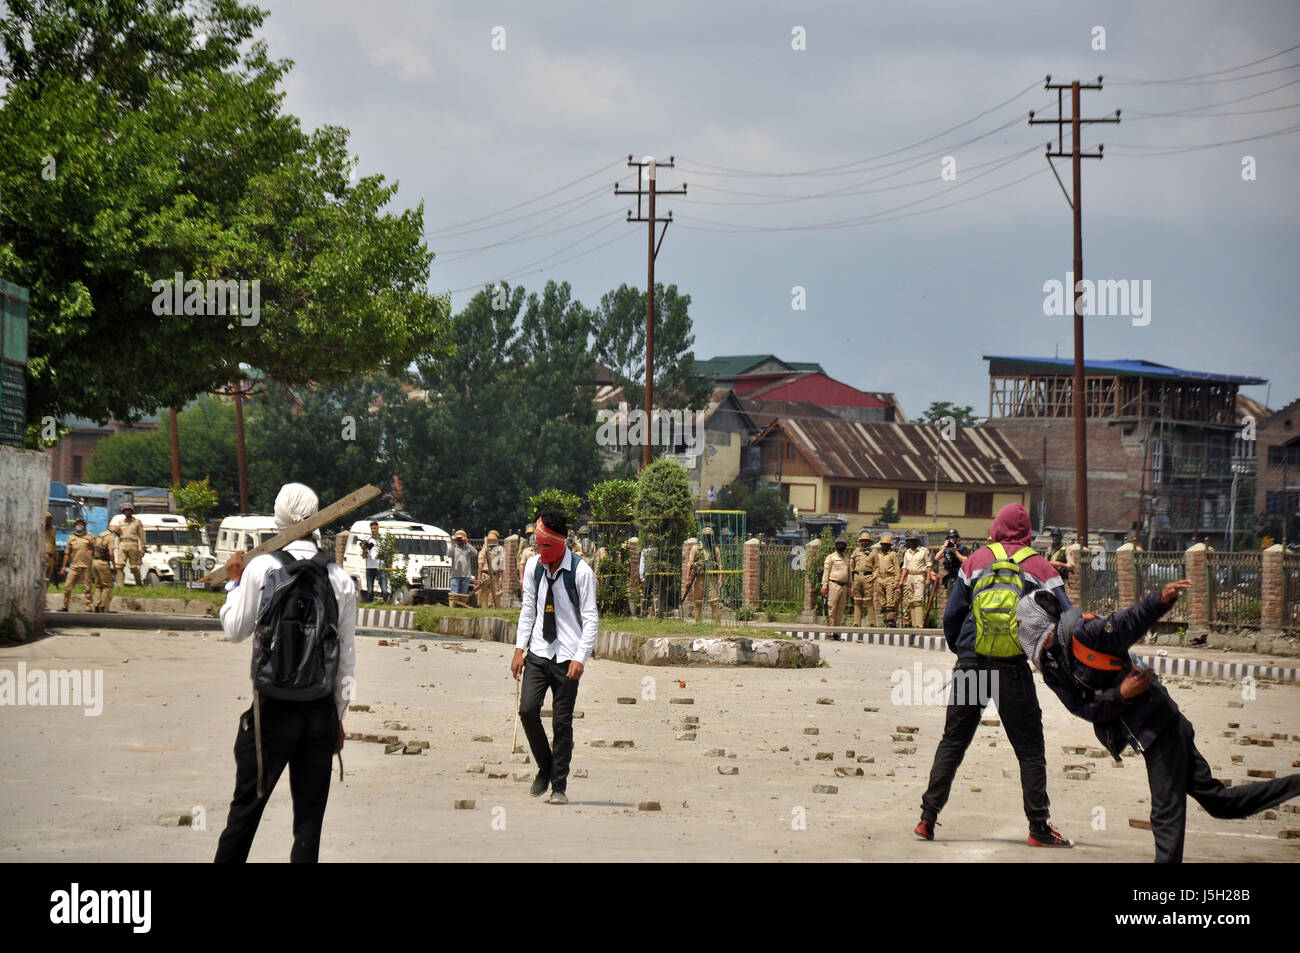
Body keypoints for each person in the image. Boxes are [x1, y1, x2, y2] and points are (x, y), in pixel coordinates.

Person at [1017, 579, 1300, 863]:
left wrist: (1160, 600)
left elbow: (1127, 621)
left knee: (1165, 814)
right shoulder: (1053, 668)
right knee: (1220, 803)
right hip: (1152, 730)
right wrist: (1120, 695)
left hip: (1159, 724)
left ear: (1042, 625)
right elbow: (1086, 708)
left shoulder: (1085, 633)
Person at [914, 502, 1072, 848]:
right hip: (1012, 667)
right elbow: (1068, 617)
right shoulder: (1040, 566)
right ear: (1027, 531)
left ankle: (927, 819)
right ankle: (1039, 828)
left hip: (972, 663)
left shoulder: (976, 560)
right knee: (1029, 749)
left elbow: (952, 615)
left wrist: (965, 653)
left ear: (996, 528)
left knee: (954, 741)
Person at [213, 483, 356, 863]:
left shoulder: (260, 567)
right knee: (308, 822)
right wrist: (338, 717)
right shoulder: (339, 579)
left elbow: (234, 630)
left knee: (245, 810)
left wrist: (233, 582)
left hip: (271, 710)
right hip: (319, 710)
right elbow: (346, 659)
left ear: (279, 517)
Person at [510, 509, 598, 805]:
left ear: (562, 543)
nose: (541, 551)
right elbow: (528, 610)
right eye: (538, 545)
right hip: (538, 651)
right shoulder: (535, 567)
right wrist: (519, 649)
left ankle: (558, 785)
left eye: (547, 546)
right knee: (527, 711)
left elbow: (590, 619)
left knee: (562, 723)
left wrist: (581, 658)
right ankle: (545, 767)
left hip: (567, 658)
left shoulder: (582, 573)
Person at [685, 527, 722, 623]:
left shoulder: (715, 549)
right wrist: (687, 578)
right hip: (699, 577)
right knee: (698, 600)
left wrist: (720, 579)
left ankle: (716, 622)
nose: (708, 538)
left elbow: (719, 565)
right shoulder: (696, 548)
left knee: (714, 600)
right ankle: (698, 621)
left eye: (709, 536)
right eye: (706, 536)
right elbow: (690, 563)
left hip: (711, 577)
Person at [60, 518, 95, 612]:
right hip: (73, 567)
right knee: (67, 587)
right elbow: (67, 553)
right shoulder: (71, 537)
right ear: (75, 526)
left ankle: (89, 607)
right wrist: (64, 566)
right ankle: (65, 606)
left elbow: (93, 549)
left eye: (81, 524)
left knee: (87, 588)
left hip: (85, 567)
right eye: (78, 524)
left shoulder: (90, 537)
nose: (79, 526)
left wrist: (91, 556)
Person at [899, 530, 933, 628]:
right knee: (911, 601)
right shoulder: (907, 553)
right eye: (910, 541)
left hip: (919, 576)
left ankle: (919, 624)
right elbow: (905, 567)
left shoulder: (924, 551)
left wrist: (928, 579)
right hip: (909, 577)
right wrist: (901, 580)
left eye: (913, 540)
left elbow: (929, 565)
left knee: (917, 600)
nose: (911, 542)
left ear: (918, 541)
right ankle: (914, 624)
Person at [869, 532, 902, 626]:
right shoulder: (879, 555)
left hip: (889, 578)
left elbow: (897, 569)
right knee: (882, 602)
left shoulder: (893, 554)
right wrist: (874, 577)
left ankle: (891, 621)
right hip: (880, 579)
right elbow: (877, 568)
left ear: (889, 546)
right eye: (883, 545)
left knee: (890, 602)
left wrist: (896, 581)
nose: (884, 546)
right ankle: (885, 621)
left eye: (887, 545)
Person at [115, 503, 145, 587]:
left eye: (129, 511)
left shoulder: (137, 522)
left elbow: (141, 535)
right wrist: (118, 546)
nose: (127, 512)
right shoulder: (120, 522)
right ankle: (120, 586)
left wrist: (143, 548)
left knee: (133, 566)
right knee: (120, 566)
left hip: (133, 544)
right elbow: (118, 534)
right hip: (122, 544)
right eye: (125, 511)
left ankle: (139, 584)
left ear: (132, 511)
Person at [90, 525, 117, 614]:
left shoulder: (99, 535)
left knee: (98, 586)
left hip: (95, 562)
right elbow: (111, 553)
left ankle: (96, 605)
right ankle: (103, 606)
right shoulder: (110, 537)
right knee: (107, 586)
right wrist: (114, 565)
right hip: (103, 562)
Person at [850, 530, 875, 627]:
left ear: (869, 542)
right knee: (857, 600)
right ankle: (856, 622)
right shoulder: (856, 551)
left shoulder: (873, 553)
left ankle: (872, 622)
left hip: (867, 576)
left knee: (868, 599)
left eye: (866, 541)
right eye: (862, 541)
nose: (864, 542)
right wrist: (852, 578)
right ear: (860, 542)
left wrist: (874, 577)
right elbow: (852, 565)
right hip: (857, 576)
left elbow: (877, 567)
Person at [448, 530, 477, 608]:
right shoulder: (454, 548)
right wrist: (453, 544)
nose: (460, 540)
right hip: (455, 574)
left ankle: (461, 607)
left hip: (466, 574)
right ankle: (453, 607)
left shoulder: (467, 547)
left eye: (461, 538)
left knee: (463, 594)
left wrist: (467, 543)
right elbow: (449, 554)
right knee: (454, 593)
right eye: (458, 538)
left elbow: (475, 553)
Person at [362, 520, 388, 603]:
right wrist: (364, 549)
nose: (373, 530)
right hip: (370, 567)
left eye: (375, 528)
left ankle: (385, 604)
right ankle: (369, 605)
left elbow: (388, 554)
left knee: (384, 590)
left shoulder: (383, 540)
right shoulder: (368, 540)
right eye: (372, 528)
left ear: (378, 529)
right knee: (370, 591)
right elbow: (364, 556)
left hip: (381, 567)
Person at [478, 530, 503, 609]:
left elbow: (500, 564)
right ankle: (485, 608)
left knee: (496, 594)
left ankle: (495, 608)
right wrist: (479, 577)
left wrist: (501, 576)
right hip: (485, 574)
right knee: (485, 593)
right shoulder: (484, 551)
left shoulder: (499, 551)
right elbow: (480, 565)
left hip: (495, 575)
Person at [517, 523, 536, 588]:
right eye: (529, 533)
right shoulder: (523, 542)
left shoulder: (536, 541)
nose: (530, 535)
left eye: (531, 533)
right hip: (524, 560)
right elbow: (519, 553)